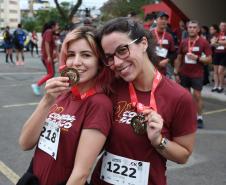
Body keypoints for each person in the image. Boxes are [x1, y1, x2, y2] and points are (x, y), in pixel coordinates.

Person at [90, 17, 197, 185]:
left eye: (123, 50)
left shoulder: (180, 98)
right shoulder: (111, 87)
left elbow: (183, 155)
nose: (117, 62)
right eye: (110, 57)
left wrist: (158, 141)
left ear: (143, 43)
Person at [18, 26, 113, 185]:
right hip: (32, 178)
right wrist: (47, 100)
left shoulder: (99, 104)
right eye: (71, 55)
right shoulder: (61, 93)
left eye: (86, 55)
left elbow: (80, 174)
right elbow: (25, 143)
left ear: (100, 62)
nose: (76, 62)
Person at [174, 20, 212, 129]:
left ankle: (199, 117)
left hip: (197, 74)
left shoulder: (203, 42)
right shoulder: (184, 42)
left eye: (194, 27)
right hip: (184, 73)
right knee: (186, 97)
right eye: (190, 27)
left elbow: (209, 59)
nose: (192, 29)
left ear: (198, 29)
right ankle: (187, 117)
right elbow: (179, 58)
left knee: (197, 96)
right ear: (187, 29)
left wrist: (198, 58)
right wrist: (176, 73)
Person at [31, 21, 59, 96]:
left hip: (48, 56)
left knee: (50, 74)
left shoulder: (50, 33)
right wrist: (49, 56)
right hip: (47, 57)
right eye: (57, 25)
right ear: (53, 26)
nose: (58, 27)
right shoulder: (49, 31)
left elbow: (53, 46)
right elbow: (46, 43)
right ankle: (37, 85)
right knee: (51, 74)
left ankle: (49, 89)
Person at [151, 12, 176, 76]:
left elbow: (173, 53)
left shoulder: (169, 36)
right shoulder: (149, 34)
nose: (164, 21)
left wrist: (167, 60)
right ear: (156, 20)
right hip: (150, 68)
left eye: (165, 19)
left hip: (163, 71)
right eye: (161, 19)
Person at [210, 21, 226, 93]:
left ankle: (221, 86)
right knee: (215, 71)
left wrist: (217, 42)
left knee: (220, 71)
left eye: (224, 26)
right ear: (219, 27)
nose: (223, 27)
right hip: (217, 53)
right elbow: (212, 43)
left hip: (224, 54)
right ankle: (216, 85)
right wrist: (220, 42)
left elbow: (224, 43)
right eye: (221, 26)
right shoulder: (217, 34)